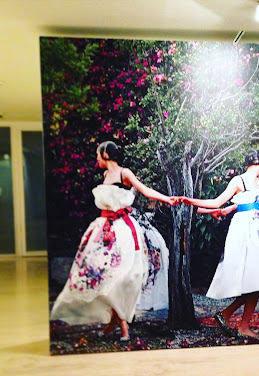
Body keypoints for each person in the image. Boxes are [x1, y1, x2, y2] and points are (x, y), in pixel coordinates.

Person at [50, 141, 178, 341]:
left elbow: (144, 190)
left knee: (121, 275)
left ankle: (121, 325)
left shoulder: (124, 173)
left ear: (106, 154)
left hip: (122, 229)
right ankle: (114, 323)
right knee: (103, 274)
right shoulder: (105, 176)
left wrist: (167, 199)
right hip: (104, 229)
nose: (97, 159)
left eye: (98, 154)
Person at [182, 150, 259, 338]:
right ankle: (240, 323)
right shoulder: (238, 181)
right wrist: (190, 201)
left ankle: (231, 317)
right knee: (251, 277)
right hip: (243, 229)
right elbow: (217, 202)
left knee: (258, 276)